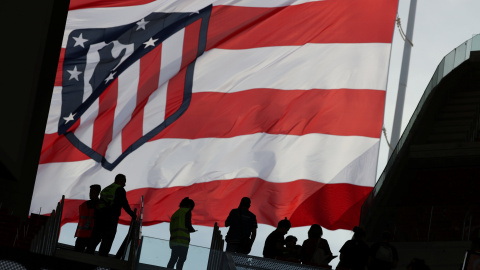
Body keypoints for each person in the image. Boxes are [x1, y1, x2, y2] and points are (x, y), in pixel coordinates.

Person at [86, 174, 136, 256]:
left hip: (99, 217)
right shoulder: (119, 189)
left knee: (95, 238)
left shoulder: (106, 189)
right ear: (120, 180)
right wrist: (132, 214)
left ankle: (88, 254)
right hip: (110, 217)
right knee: (108, 238)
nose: (125, 184)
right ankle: (102, 258)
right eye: (124, 182)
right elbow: (124, 203)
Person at [167, 197, 196, 270]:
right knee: (182, 259)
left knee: (173, 258)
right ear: (189, 205)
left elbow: (171, 228)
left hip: (174, 240)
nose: (191, 209)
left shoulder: (175, 214)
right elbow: (187, 224)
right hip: (183, 241)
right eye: (191, 207)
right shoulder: (187, 211)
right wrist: (192, 229)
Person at [74, 184, 101, 252]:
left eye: (92, 192)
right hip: (83, 235)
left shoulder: (101, 206)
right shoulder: (84, 205)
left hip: (93, 235)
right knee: (77, 253)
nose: (90, 194)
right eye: (90, 192)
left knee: (88, 254)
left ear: (98, 193)